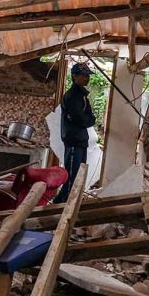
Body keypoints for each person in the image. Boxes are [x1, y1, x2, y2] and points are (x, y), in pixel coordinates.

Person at [55, 62, 95, 203]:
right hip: (74, 140)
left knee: (77, 176)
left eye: (87, 76)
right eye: (84, 75)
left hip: (80, 140)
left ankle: (68, 203)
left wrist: (86, 119)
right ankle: (61, 205)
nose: (86, 78)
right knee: (71, 177)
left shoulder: (82, 95)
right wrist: (86, 119)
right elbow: (82, 119)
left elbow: (90, 119)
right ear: (75, 76)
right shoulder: (72, 96)